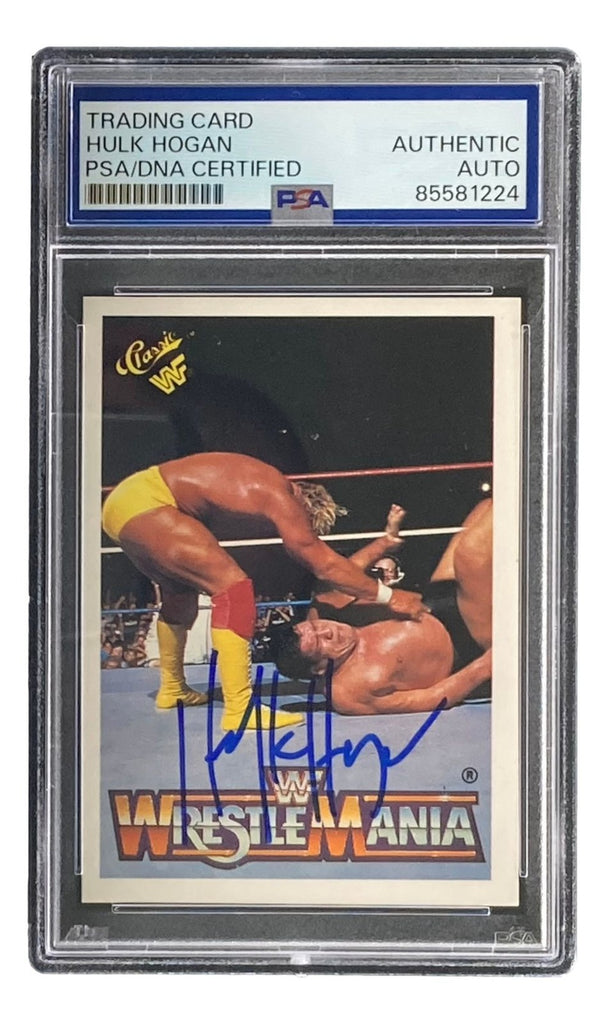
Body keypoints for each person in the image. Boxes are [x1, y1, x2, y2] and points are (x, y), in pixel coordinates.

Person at [101, 453, 426, 730]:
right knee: (233, 589)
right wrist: (390, 596)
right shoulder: (278, 494)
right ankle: (239, 711)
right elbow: (323, 564)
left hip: (124, 504)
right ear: (302, 501)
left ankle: (172, 688)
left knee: (179, 593)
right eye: (304, 521)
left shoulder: (246, 487)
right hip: (148, 502)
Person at [274, 500, 493, 715]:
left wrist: (384, 543)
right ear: (319, 669)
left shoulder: (323, 611)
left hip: (432, 600)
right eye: (321, 643)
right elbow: (432, 699)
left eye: (315, 627)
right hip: (466, 639)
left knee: (487, 508)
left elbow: (341, 574)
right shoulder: (348, 692)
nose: (327, 631)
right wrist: (486, 665)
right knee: (472, 552)